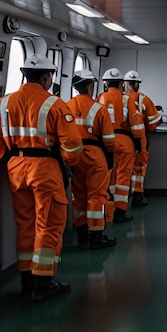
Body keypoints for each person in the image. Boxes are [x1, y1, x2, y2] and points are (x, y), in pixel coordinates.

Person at [0, 53, 83, 302]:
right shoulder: (55, 104)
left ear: (25, 75)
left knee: (26, 224)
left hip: (16, 170)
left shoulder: (3, 104)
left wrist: (11, 156)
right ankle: (43, 282)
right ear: (47, 77)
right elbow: (71, 148)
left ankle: (27, 281)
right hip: (45, 170)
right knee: (48, 225)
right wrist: (68, 163)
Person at [66, 69, 117, 250]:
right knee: (97, 196)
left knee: (78, 196)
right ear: (90, 86)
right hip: (95, 156)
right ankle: (97, 236)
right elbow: (109, 140)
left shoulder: (66, 106)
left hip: (74, 155)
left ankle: (82, 234)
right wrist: (110, 157)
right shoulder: (98, 109)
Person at [97, 67, 145, 223]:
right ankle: (120, 211)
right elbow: (137, 126)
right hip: (125, 142)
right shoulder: (127, 100)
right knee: (123, 177)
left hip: (105, 142)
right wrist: (138, 143)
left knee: (109, 175)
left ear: (105, 84)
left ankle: (108, 209)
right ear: (120, 84)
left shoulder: (100, 99)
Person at [123, 70, 162, 207]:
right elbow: (154, 122)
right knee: (139, 169)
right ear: (137, 84)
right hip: (140, 139)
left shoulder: (118, 99)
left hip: (120, 141)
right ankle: (138, 196)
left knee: (121, 170)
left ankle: (120, 201)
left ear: (124, 83)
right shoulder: (143, 99)